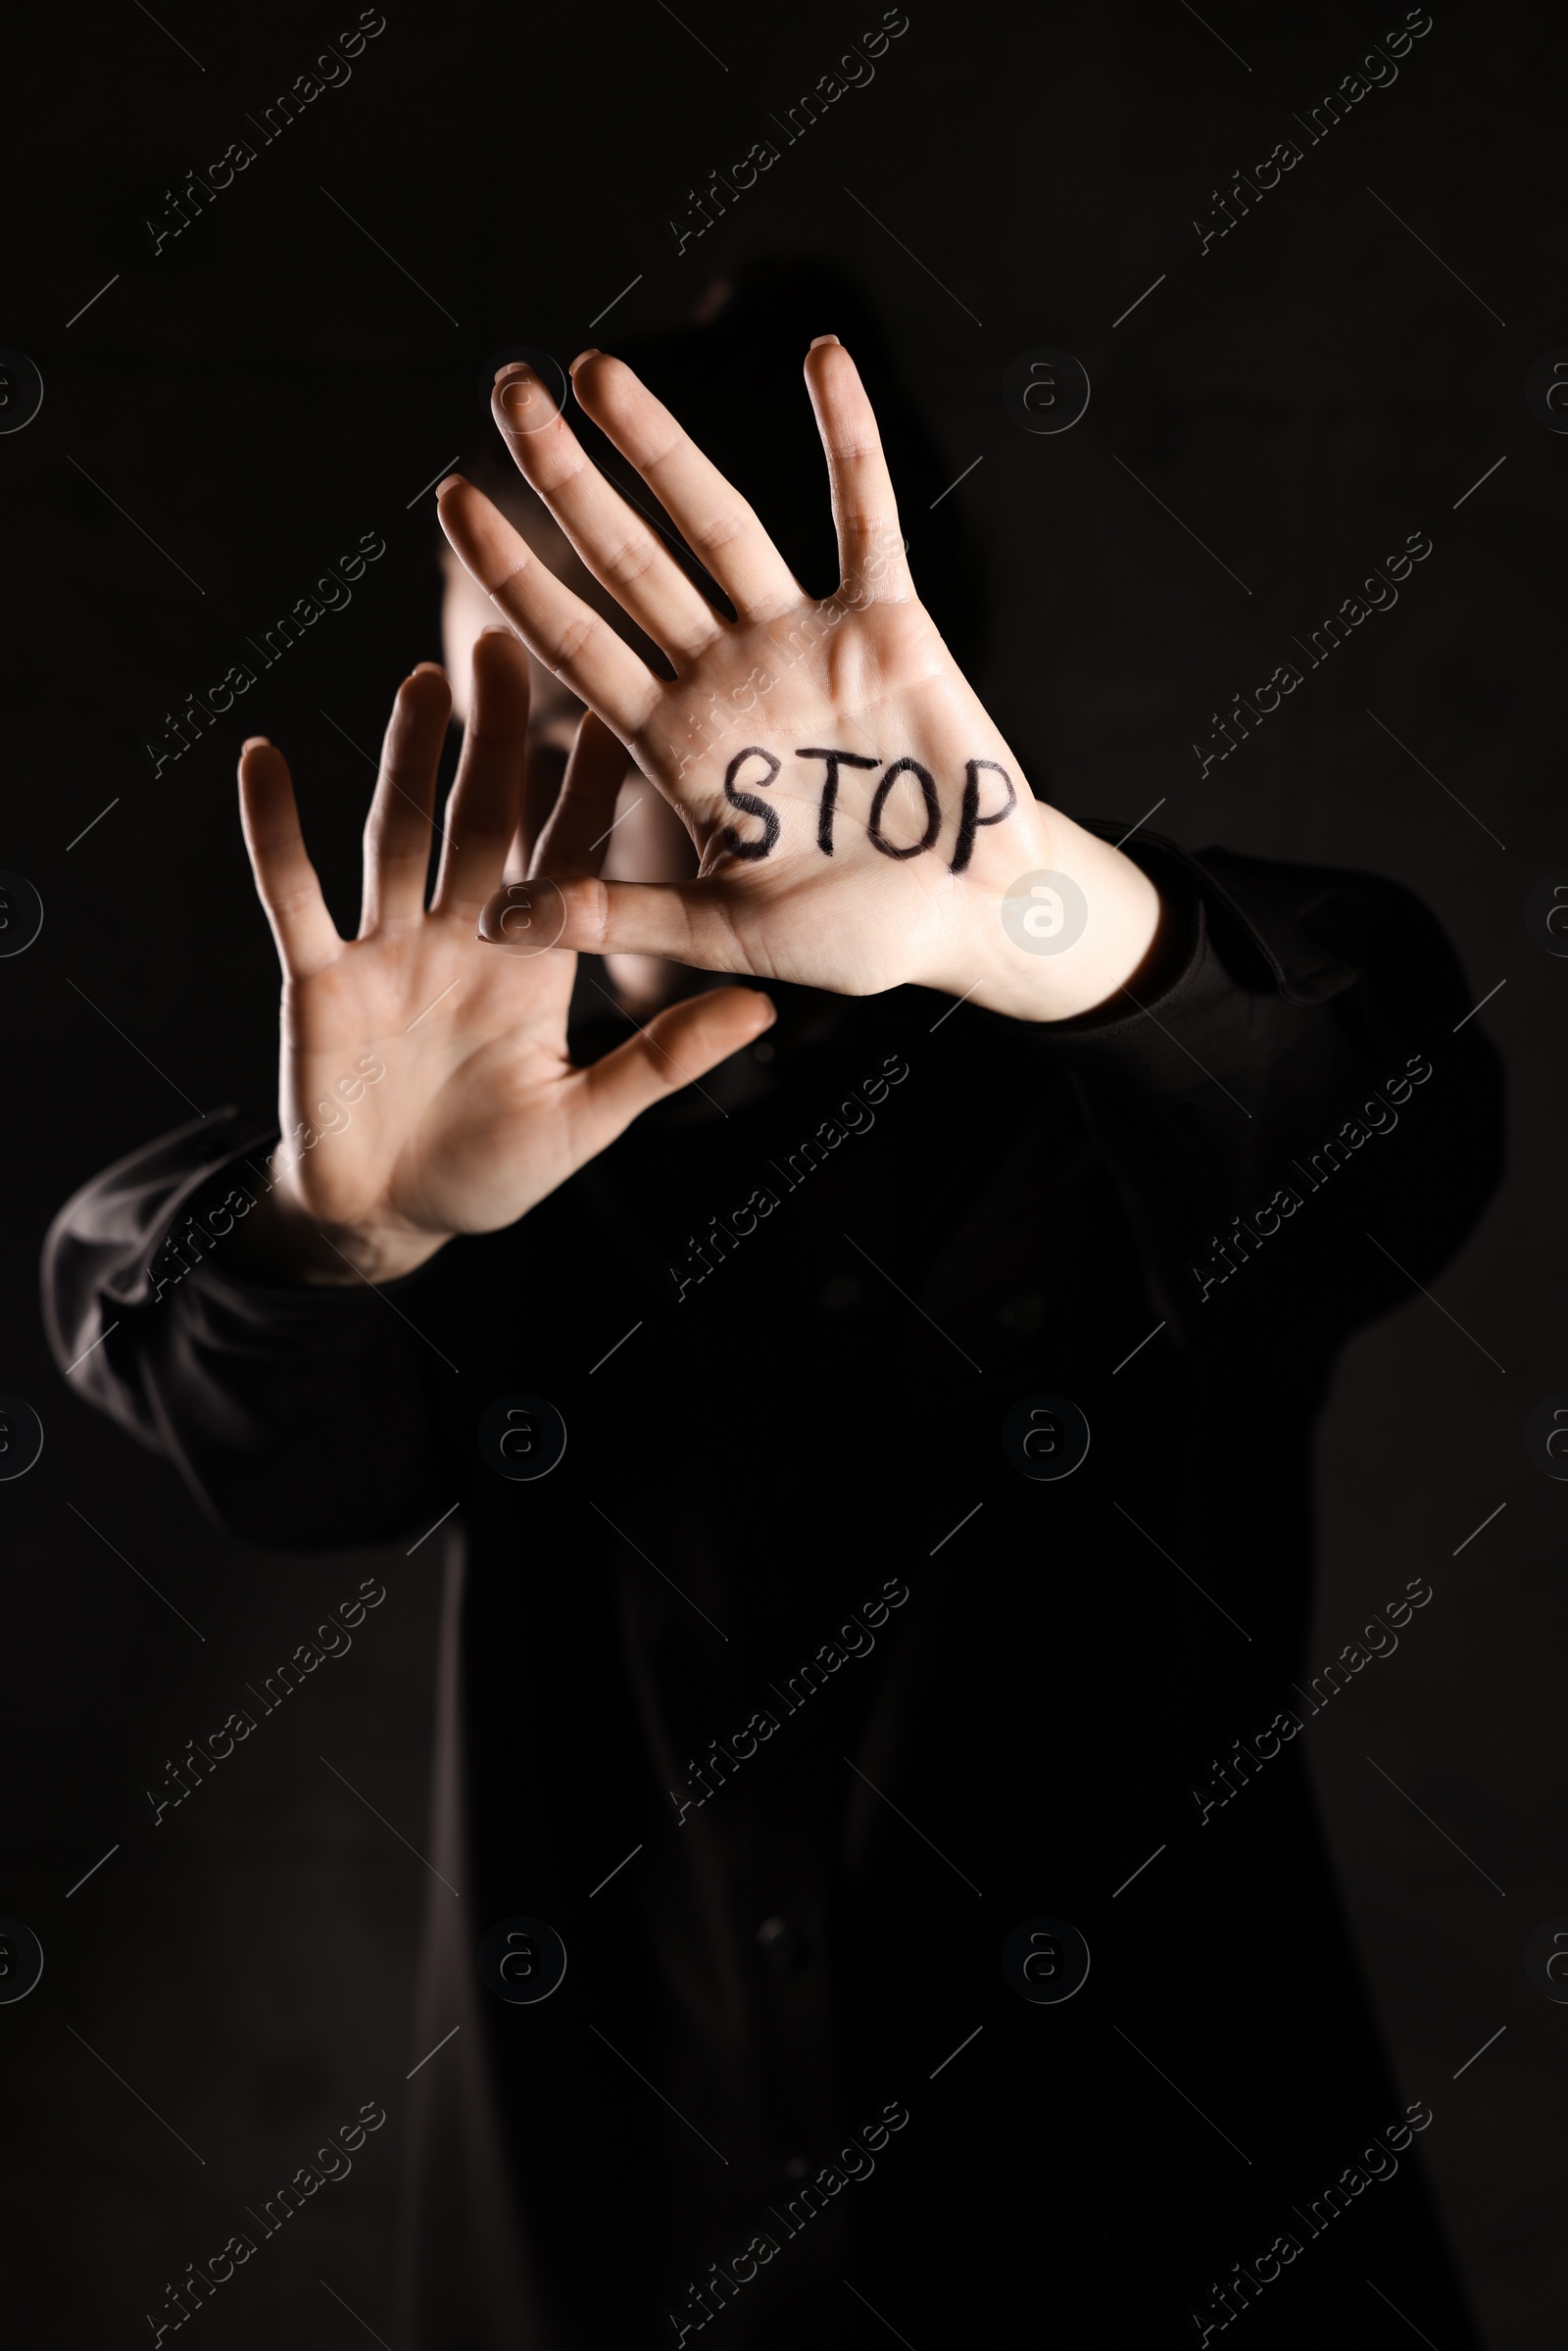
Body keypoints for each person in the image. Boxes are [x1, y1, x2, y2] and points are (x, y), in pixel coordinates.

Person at [44, 273, 1500, 2347]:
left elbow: (1374, 1101)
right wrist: (333, 1228)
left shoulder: (1115, 1096)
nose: (564, 756)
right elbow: (247, 1398)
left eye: (641, 667)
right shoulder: (468, 1161)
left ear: (880, 688)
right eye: (510, 683)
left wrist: (1018, 892)